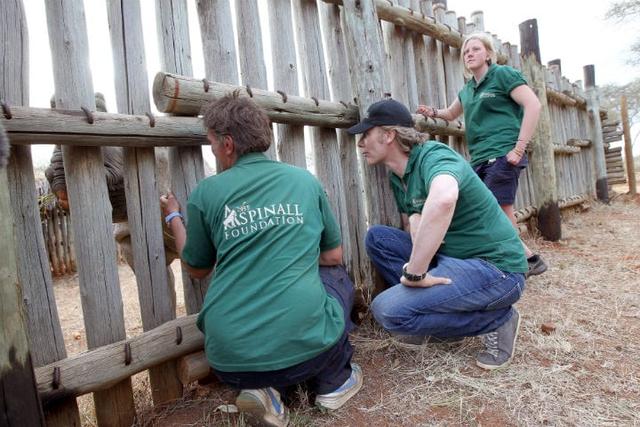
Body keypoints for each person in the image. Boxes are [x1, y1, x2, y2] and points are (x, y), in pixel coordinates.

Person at [160, 91, 362, 427]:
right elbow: (332, 255)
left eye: (211, 143)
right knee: (336, 276)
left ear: (227, 145)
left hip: (230, 362)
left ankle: (263, 390)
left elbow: (196, 267)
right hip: (308, 352)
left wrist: (173, 217)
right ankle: (334, 381)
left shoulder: (206, 193)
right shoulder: (303, 180)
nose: (213, 151)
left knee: (265, 345)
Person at [348, 98, 527, 370]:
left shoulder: (435, 155)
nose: (360, 143)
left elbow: (444, 198)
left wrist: (416, 273)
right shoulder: (399, 177)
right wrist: (418, 227)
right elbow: (415, 224)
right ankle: (434, 310)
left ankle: (498, 319)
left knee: (387, 311)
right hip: (452, 256)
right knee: (378, 238)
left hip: (496, 269)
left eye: (365, 134)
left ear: (388, 135)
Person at [417, 32, 547, 277]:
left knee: (498, 208)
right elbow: (450, 113)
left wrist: (519, 148)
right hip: (479, 158)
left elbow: (534, 105)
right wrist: (432, 111)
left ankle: (523, 259)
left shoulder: (503, 75)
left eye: (475, 49)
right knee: (493, 209)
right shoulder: (468, 89)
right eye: (466, 52)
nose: (469, 54)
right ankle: (527, 258)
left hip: (503, 153)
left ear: (488, 54)